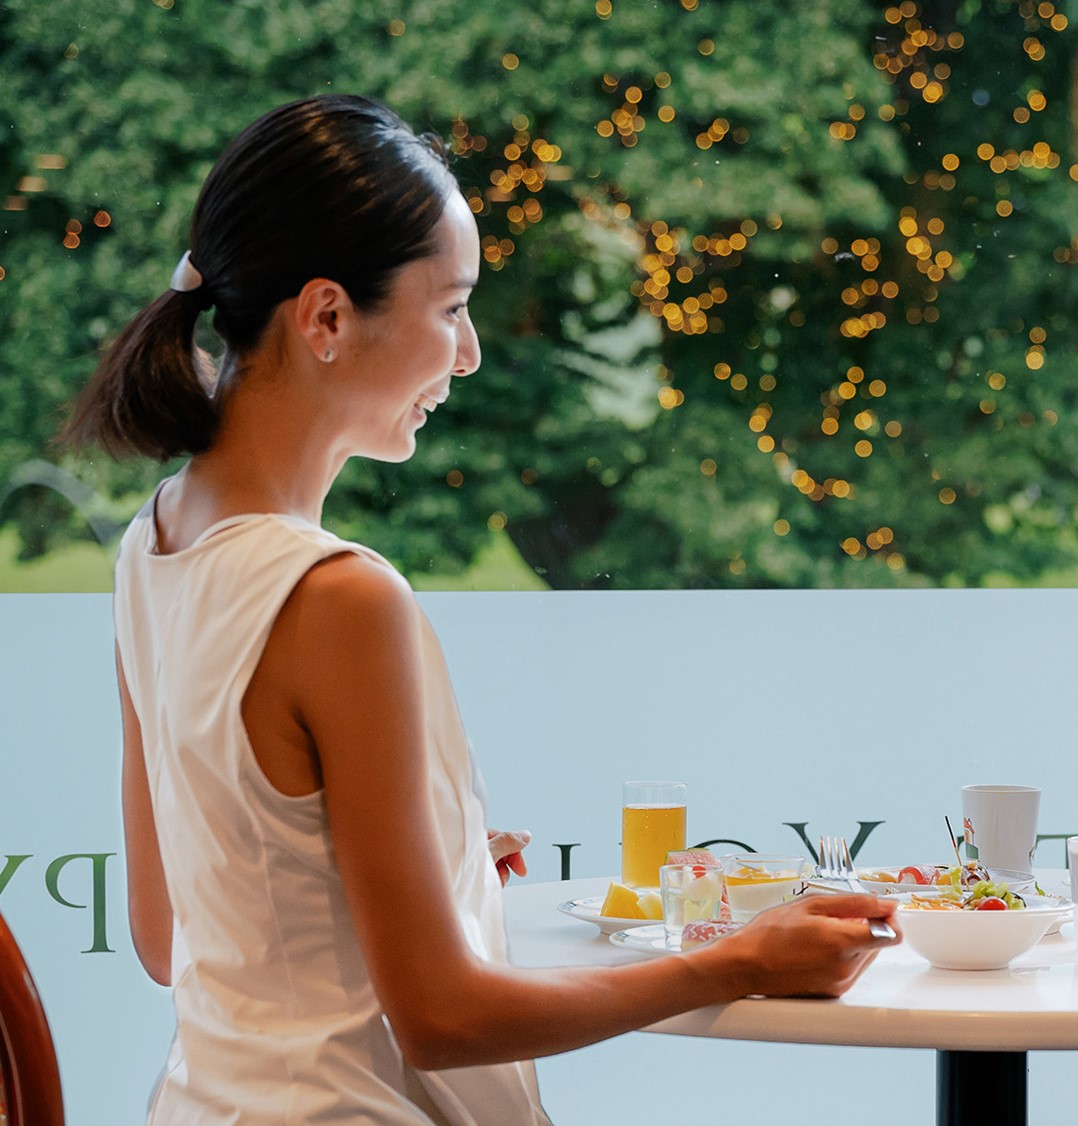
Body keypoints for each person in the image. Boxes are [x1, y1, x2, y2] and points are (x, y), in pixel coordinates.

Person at [64, 94, 897, 1125]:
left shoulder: (150, 545)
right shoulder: (338, 596)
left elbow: (168, 935)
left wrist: (430, 876)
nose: (469, 355)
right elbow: (443, 1019)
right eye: (452, 308)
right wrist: (736, 962)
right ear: (326, 317)